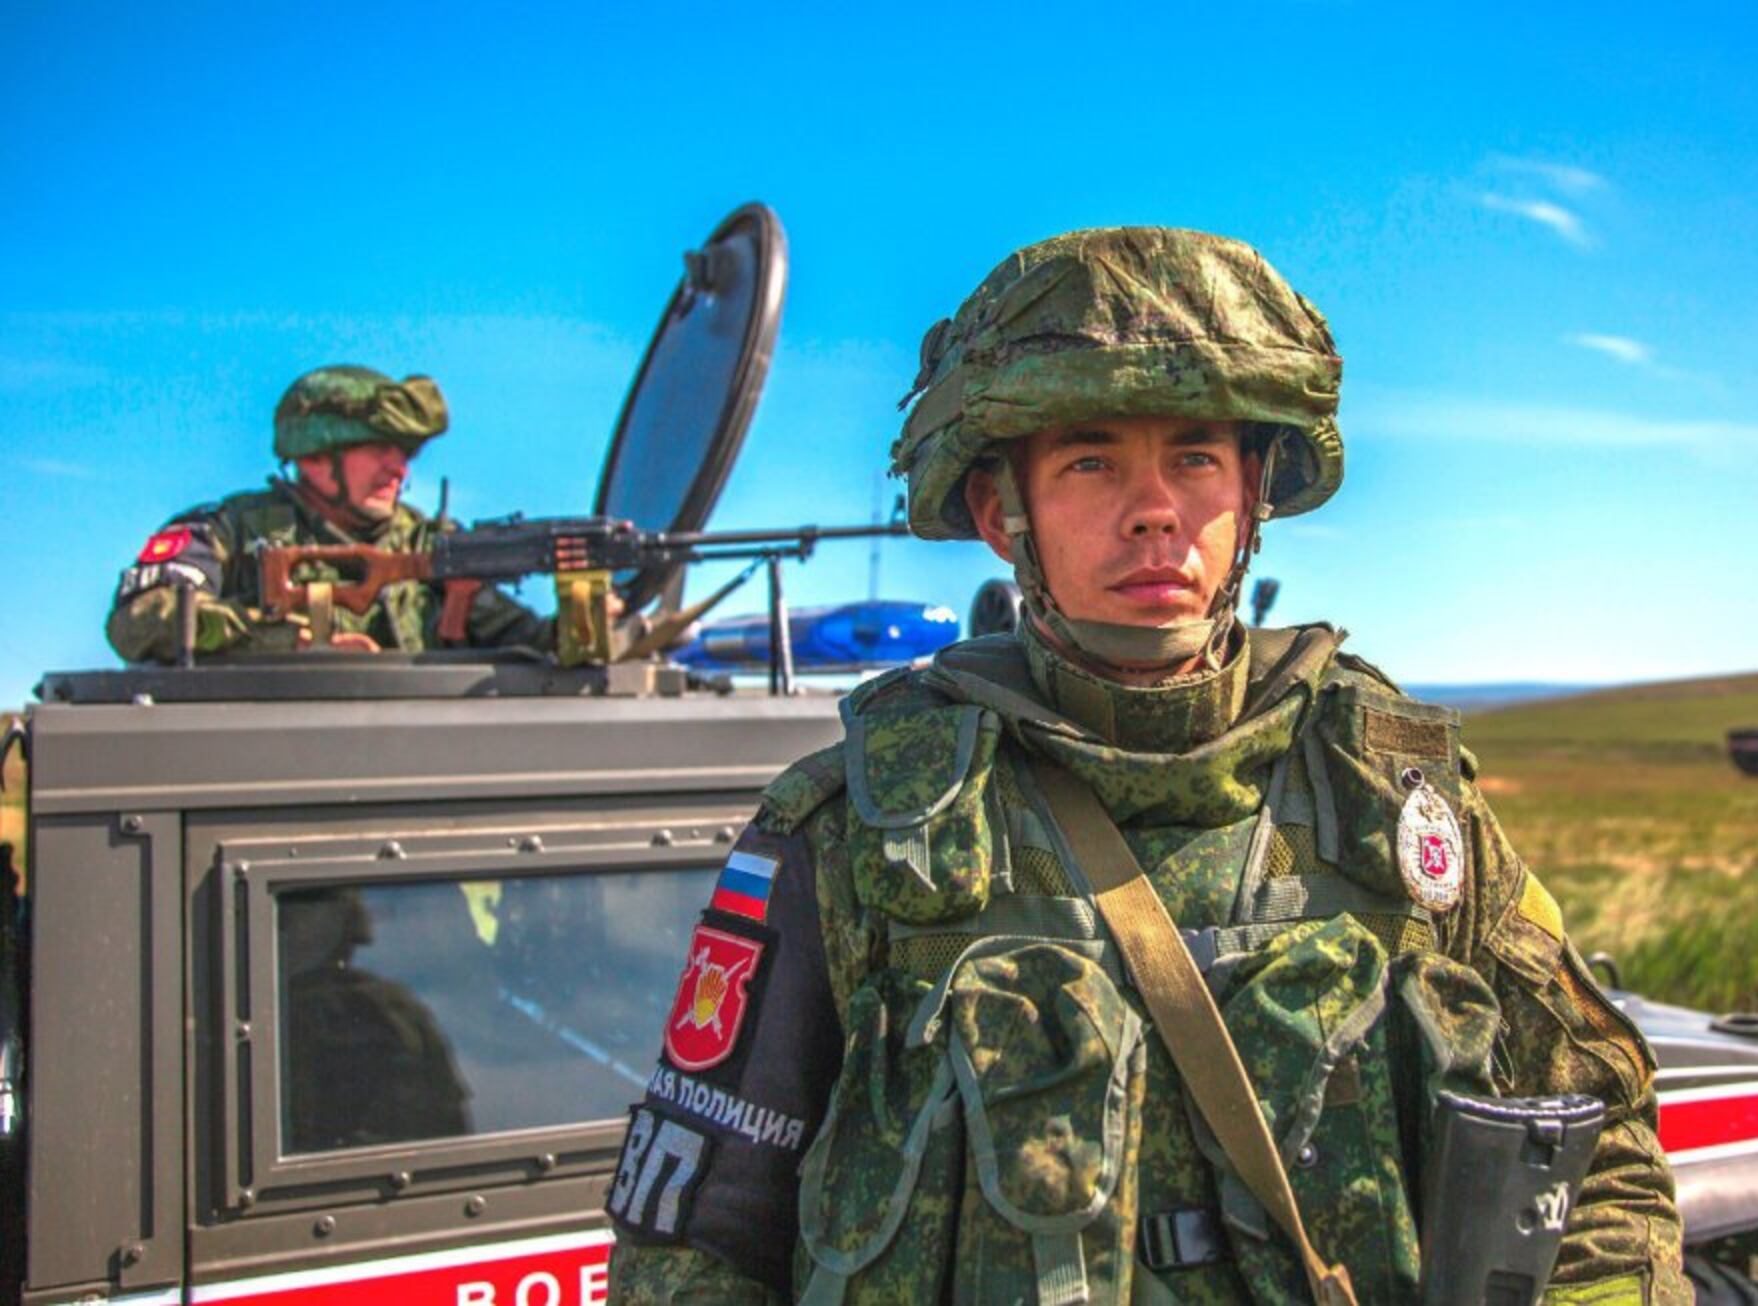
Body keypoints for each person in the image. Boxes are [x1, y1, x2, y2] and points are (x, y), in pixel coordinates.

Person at [604, 228, 1688, 1304]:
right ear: (999, 511)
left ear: (1252, 493)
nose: (1155, 508)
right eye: (1091, 459)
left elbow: (1599, 1147)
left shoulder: (1396, 803)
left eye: (1195, 457)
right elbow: (691, 1247)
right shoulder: (858, 828)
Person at [105, 364, 551, 660]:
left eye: (405, 453)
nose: (399, 468)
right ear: (314, 456)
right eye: (378, 449)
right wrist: (285, 643)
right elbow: (140, 620)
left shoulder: (427, 544)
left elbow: (524, 643)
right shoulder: (228, 531)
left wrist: (593, 620)